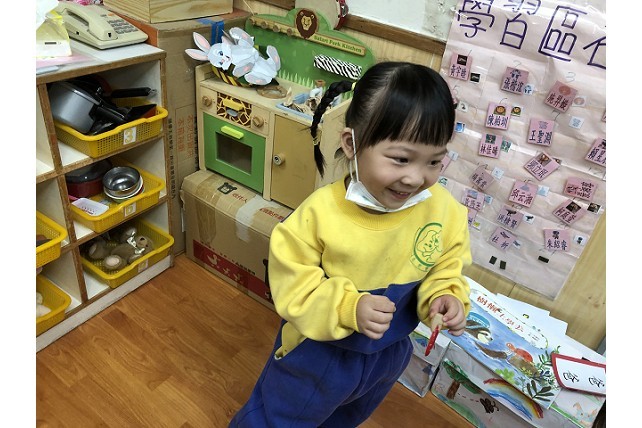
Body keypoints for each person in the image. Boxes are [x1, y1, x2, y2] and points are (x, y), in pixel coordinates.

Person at [229, 61, 472, 427]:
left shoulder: (443, 210)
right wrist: (348, 307)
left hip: (387, 353)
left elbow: (446, 264)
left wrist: (445, 294)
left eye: (434, 161)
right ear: (351, 144)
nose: (415, 178)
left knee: (345, 418)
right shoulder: (320, 214)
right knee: (277, 419)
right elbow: (292, 284)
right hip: (318, 352)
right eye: (401, 159)